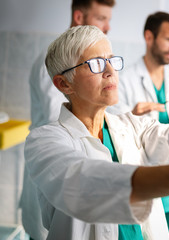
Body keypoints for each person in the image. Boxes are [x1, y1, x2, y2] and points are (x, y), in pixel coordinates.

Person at [24, 25, 169, 240]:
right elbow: (81, 183)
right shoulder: (44, 141)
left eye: (112, 61)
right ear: (64, 84)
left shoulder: (132, 126)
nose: (110, 71)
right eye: (95, 63)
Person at [21, 1, 115, 239]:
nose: (108, 27)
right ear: (79, 16)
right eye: (101, 18)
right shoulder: (53, 65)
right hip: (55, 168)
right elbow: (66, 118)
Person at [108, 11, 169, 240]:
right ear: (149, 37)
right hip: (149, 176)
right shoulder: (125, 80)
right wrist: (131, 114)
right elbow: (112, 127)